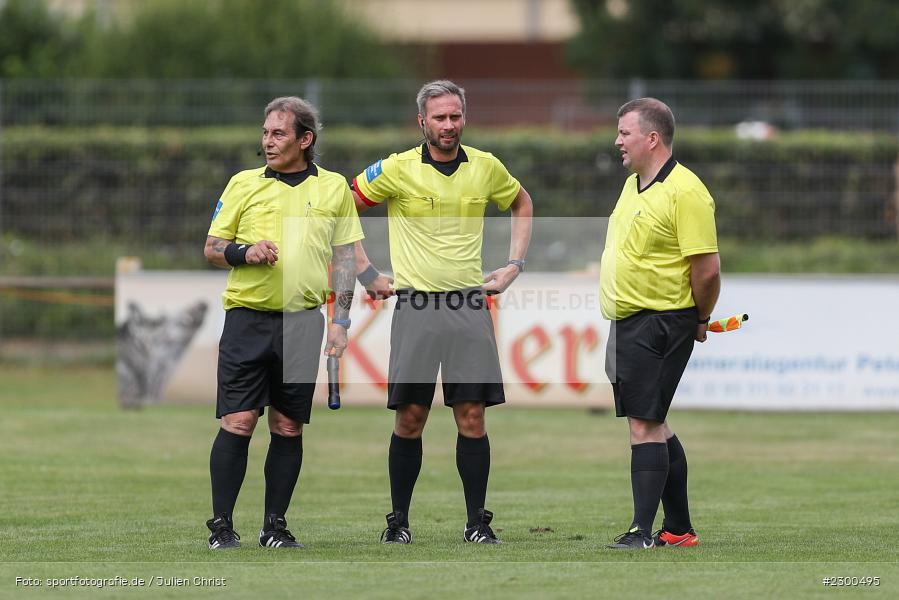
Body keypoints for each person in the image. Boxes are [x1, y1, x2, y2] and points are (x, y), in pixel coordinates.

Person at [351, 80, 533, 544]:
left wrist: (514, 265)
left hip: (469, 305)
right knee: (410, 416)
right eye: (439, 117)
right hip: (415, 306)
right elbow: (340, 207)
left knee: (472, 415)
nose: (448, 125)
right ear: (422, 122)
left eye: (455, 116)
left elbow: (521, 202)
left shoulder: (486, 167)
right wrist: (364, 270)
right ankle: (398, 522)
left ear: (463, 118)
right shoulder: (396, 169)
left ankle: (477, 522)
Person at [203, 96, 364, 550]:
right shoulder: (242, 184)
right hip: (246, 321)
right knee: (238, 421)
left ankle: (274, 526)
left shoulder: (334, 188)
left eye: (278, 134)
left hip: (302, 324)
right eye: (265, 132)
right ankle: (221, 527)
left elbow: (345, 259)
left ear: (304, 139)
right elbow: (213, 248)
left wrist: (341, 321)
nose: (267, 142)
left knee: (288, 426)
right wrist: (244, 252)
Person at [600, 98, 720, 550]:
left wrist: (700, 318)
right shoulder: (634, 184)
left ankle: (641, 532)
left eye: (624, 132)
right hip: (630, 320)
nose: (617, 141)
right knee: (655, 422)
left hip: (661, 321)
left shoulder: (686, 191)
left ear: (652, 138)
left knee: (644, 425)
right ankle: (679, 529)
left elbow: (707, 269)